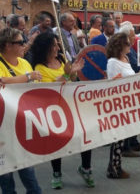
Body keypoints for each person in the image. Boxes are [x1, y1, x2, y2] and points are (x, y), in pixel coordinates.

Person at [0, 27, 42, 194]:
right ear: (8, 45)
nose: (24, 45)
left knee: (28, 170)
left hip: (22, 121)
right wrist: (28, 77)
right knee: (5, 173)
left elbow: (34, 89)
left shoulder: (24, 62)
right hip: (1, 124)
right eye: (20, 42)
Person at [30, 32, 92, 189]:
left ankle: (86, 168)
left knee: (84, 134)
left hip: (70, 105)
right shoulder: (39, 67)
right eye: (55, 44)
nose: (58, 47)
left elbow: (70, 81)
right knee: (56, 142)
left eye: (58, 44)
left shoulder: (62, 60)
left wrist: (73, 73)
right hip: (53, 110)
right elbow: (49, 88)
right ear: (46, 47)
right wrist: (67, 73)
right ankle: (56, 173)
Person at [105, 32, 136, 179]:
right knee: (117, 137)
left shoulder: (126, 59)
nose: (130, 46)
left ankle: (117, 165)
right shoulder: (112, 62)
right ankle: (114, 167)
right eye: (127, 43)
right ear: (120, 46)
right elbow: (113, 83)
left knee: (123, 136)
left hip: (129, 101)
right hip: (119, 103)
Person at [118, 22, 140, 157]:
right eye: (132, 35)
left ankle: (133, 142)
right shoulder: (120, 55)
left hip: (136, 84)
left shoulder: (133, 50)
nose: (134, 37)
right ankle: (126, 146)